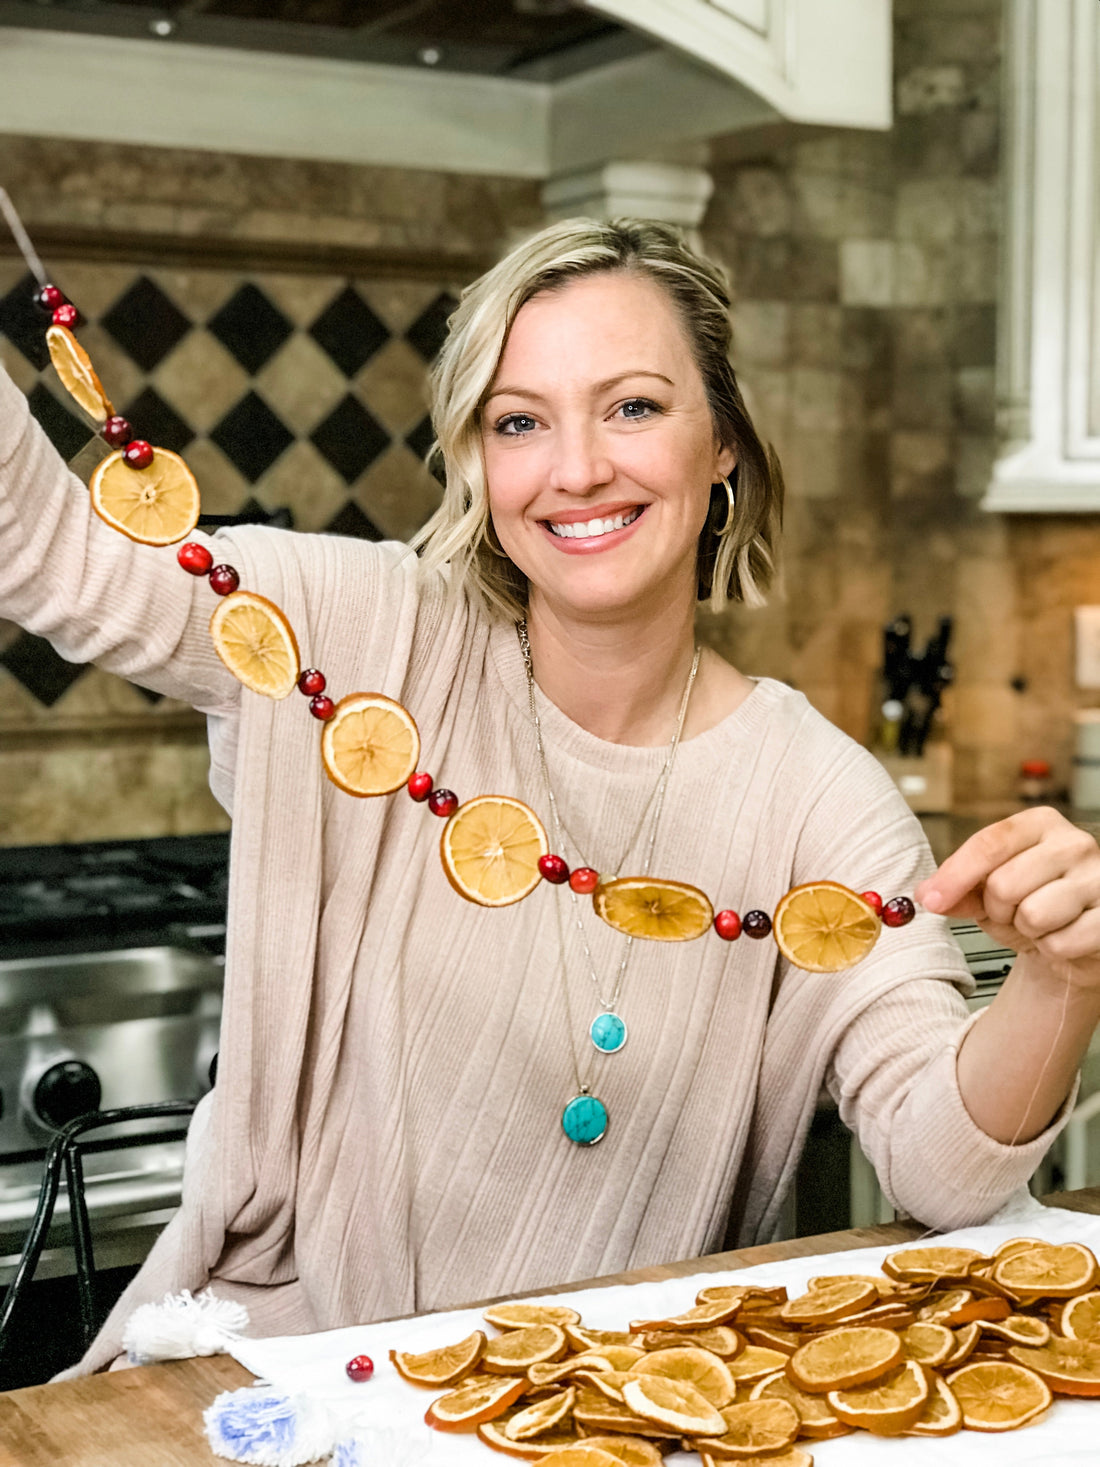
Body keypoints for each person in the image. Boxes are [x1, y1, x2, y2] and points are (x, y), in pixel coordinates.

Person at [1, 218, 1098, 1380]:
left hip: (601, 1409)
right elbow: (48, 555)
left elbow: (943, 1173)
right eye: (518, 421)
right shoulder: (360, 634)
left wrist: (1060, 976)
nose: (574, 469)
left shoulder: (816, 795)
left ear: (721, 441)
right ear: (479, 459)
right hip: (265, 1387)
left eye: (630, 407)